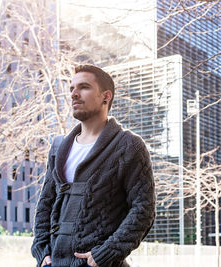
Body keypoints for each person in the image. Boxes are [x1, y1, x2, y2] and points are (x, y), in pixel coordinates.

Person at [31, 65, 156, 267]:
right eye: (72, 88)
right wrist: (41, 249)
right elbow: (46, 202)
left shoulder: (128, 146)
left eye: (84, 87)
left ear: (106, 97)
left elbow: (144, 210)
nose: (74, 94)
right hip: (51, 262)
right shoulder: (58, 147)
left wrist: (106, 253)